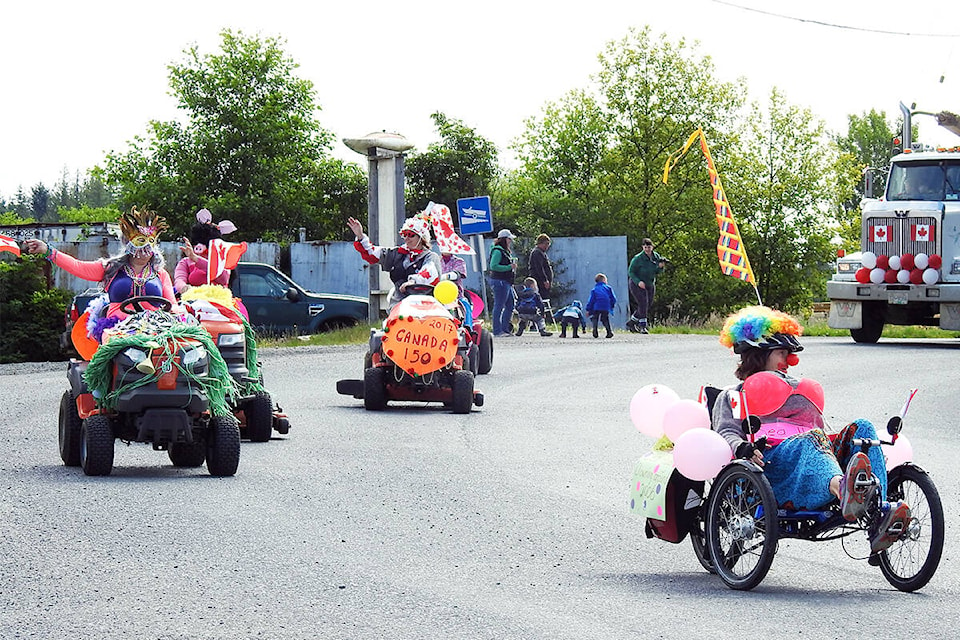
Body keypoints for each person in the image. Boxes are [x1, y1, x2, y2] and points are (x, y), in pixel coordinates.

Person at [712, 305, 911, 554]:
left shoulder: (797, 391)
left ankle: (878, 508)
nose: (789, 361)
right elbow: (726, 431)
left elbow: (821, 432)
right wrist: (742, 447)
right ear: (759, 354)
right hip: (773, 466)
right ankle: (844, 489)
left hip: (813, 455)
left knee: (862, 428)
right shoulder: (734, 394)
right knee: (811, 439)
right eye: (782, 353)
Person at [24, 206, 178, 339]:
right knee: (110, 347)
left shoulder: (160, 274)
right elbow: (77, 266)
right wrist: (48, 251)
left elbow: (172, 304)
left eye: (150, 243)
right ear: (129, 244)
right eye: (141, 243)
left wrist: (183, 316)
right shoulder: (111, 268)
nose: (146, 250)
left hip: (156, 328)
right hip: (118, 328)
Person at [347, 212, 441, 309]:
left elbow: (429, 271)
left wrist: (413, 281)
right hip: (399, 304)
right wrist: (360, 236)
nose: (407, 239)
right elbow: (372, 252)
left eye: (411, 235)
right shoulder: (397, 253)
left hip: (425, 305)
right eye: (405, 235)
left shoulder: (431, 257)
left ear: (421, 238)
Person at [174, 208, 238, 293]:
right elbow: (179, 279)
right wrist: (185, 288)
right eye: (197, 242)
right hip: (193, 299)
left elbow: (224, 278)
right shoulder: (185, 262)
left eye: (205, 242)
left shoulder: (222, 261)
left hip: (219, 301)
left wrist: (196, 259)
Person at [626, 238, 666, 334]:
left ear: (652, 247)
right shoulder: (638, 258)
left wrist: (661, 267)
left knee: (648, 304)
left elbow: (657, 271)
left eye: (649, 247)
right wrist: (638, 281)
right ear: (643, 247)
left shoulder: (656, 256)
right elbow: (631, 272)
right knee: (643, 303)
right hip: (636, 284)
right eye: (645, 247)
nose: (647, 249)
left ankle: (632, 322)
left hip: (649, 283)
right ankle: (642, 326)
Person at [488, 229, 517, 337]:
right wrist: (509, 267)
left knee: (510, 304)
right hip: (499, 281)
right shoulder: (498, 251)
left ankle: (505, 329)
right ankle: (497, 330)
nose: (510, 241)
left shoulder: (504, 251)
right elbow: (493, 266)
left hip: (506, 282)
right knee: (499, 305)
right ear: (504, 239)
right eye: (509, 239)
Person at [586, 273, 616, 338]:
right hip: (606, 305)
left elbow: (591, 300)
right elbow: (613, 298)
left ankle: (595, 330)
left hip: (597, 306)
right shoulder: (608, 288)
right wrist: (612, 305)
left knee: (595, 317)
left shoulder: (594, 289)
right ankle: (609, 332)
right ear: (604, 280)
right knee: (605, 319)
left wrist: (588, 309)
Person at [528, 233, 554, 298]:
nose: (547, 246)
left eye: (548, 244)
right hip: (539, 282)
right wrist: (545, 280)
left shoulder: (542, 253)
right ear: (540, 243)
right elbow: (539, 268)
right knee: (542, 298)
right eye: (546, 244)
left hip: (542, 282)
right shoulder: (537, 253)